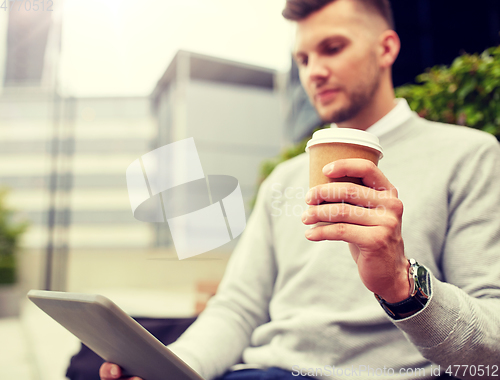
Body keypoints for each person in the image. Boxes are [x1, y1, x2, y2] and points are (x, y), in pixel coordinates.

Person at [101, 1, 500, 379]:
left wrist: (401, 284)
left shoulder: (468, 155)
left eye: (332, 48)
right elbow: (238, 308)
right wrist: (173, 368)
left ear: (386, 48)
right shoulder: (284, 178)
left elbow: (492, 354)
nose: (315, 72)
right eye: (303, 60)